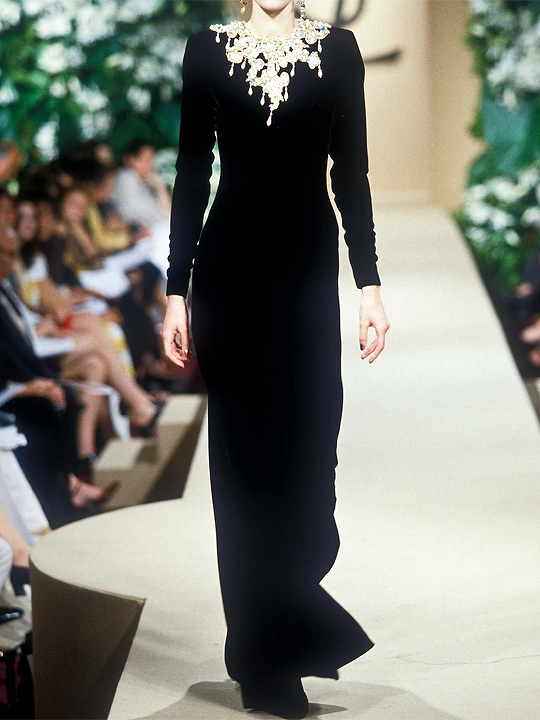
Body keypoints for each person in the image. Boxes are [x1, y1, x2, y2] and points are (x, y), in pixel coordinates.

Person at [161, 3, 390, 719]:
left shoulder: (338, 51)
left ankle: (281, 623)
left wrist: (369, 284)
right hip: (228, 279)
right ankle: (264, 660)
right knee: (243, 470)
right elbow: (192, 170)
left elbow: (351, 173)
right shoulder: (208, 50)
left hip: (306, 278)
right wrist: (175, 290)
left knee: (310, 458)